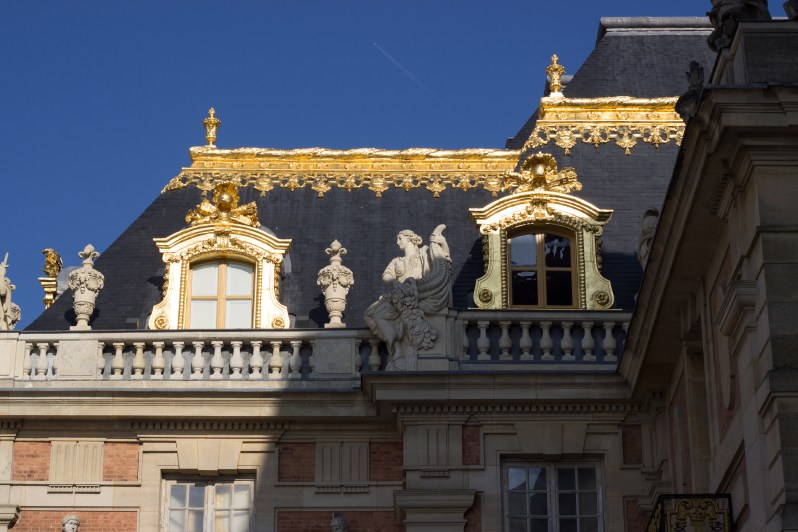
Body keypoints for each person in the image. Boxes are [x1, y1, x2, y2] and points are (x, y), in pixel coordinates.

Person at [364, 225, 451, 371]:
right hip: (399, 297)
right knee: (371, 314)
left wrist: (442, 242)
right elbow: (386, 276)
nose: (398, 242)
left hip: (419, 294)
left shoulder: (425, 252)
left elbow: (443, 259)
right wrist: (394, 281)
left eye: (400, 238)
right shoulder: (397, 261)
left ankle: (403, 348)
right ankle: (396, 346)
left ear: (410, 239)